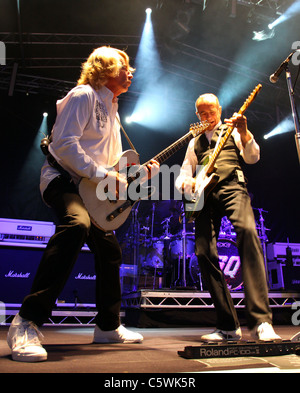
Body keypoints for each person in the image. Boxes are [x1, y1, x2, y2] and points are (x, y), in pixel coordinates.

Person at [7, 46, 160, 362]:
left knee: (110, 251)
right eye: (123, 65)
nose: (130, 71)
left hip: (92, 189)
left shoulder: (113, 110)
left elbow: (115, 168)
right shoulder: (83, 95)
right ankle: (26, 322)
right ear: (104, 68)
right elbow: (64, 145)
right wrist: (104, 174)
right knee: (77, 224)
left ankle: (107, 326)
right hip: (62, 181)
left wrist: (139, 174)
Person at [175, 93, 281, 342]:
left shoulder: (232, 130)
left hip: (233, 186)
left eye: (211, 111)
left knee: (247, 232)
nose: (208, 116)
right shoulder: (195, 142)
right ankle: (227, 325)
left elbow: (252, 157)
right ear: (197, 115)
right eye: (202, 113)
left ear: (219, 110)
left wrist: (245, 133)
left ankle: (261, 321)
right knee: (203, 252)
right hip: (203, 197)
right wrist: (187, 183)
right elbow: (182, 174)